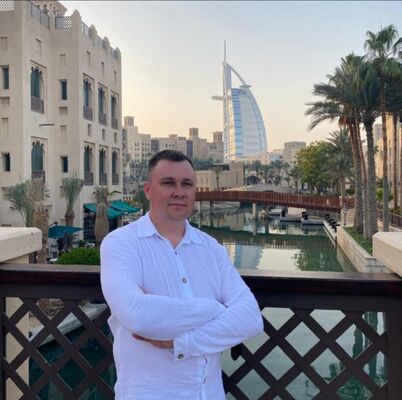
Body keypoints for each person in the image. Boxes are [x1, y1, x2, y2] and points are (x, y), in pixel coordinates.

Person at [100, 150, 263, 400]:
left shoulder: (211, 248)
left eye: (187, 184)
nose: (179, 192)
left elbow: (251, 319)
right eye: (168, 183)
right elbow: (137, 315)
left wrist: (182, 342)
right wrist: (216, 310)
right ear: (148, 190)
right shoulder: (121, 244)